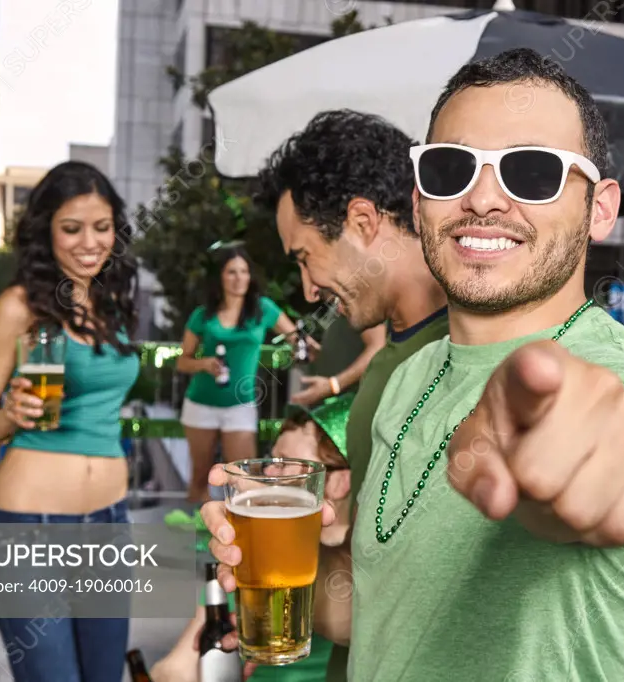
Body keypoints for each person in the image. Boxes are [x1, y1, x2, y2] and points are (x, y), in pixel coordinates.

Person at [206, 48, 624, 681]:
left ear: (601, 209)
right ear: (419, 203)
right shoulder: (410, 379)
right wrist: (282, 558)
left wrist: (582, 461)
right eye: (451, 168)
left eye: (533, 173)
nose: (482, 200)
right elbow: (374, 614)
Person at [252, 109, 450, 681]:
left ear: (362, 220)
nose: (310, 288)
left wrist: (269, 565)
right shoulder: (388, 360)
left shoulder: (462, 359)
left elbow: (398, 608)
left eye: (305, 258)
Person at [0, 161, 140, 682]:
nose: (90, 242)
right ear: (46, 232)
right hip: (29, 529)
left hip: (109, 524)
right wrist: (7, 418)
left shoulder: (110, 304)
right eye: (72, 229)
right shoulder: (19, 307)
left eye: (102, 227)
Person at [150, 395, 354, 682]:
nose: (270, 473)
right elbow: (173, 669)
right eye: (271, 460)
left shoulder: (372, 572)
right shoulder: (247, 556)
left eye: (284, 465)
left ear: (339, 481)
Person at [176, 243, 316, 503]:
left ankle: (241, 536)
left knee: (244, 477)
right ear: (220, 276)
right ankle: (194, 536)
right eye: (231, 272)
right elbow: (182, 362)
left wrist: (309, 348)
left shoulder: (262, 308)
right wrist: (204, 364)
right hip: (200, 404)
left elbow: (295, 339)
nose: (239, 278)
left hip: (241, 406)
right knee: (199, 476)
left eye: (244, 271)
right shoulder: (202, 315)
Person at [290, 316, 386, 407]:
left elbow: (377, 348)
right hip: (334, 403)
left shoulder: (361, 299)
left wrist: (333, 385)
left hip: (350, 406)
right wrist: (322, 352)